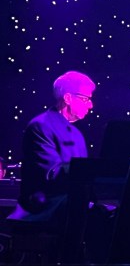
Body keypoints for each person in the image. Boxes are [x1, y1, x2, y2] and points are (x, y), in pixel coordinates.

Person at [9, 70, 95, 225]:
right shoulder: (41, 126)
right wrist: (90, 171)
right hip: (43, 208)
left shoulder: (77, 134)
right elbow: (51, 175)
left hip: (66, 202)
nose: (90, 105)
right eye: (86, 99)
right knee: (96, 216)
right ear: (68, 98)